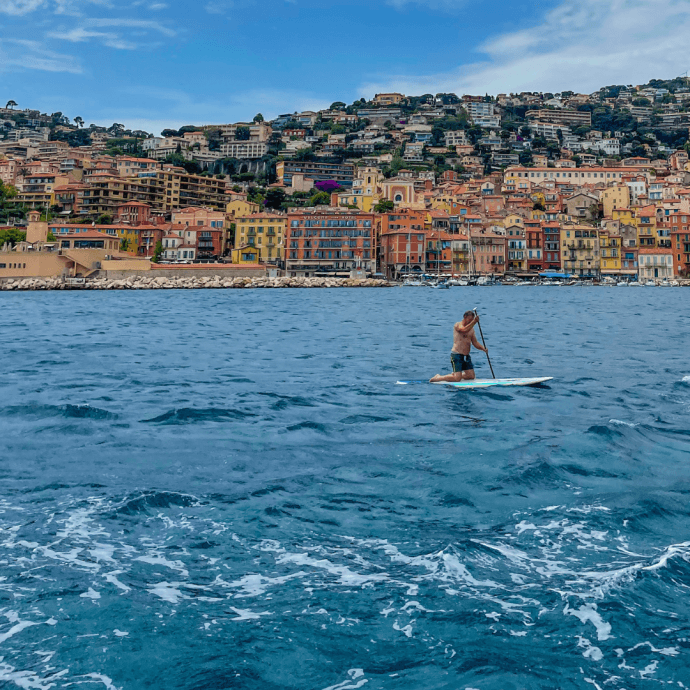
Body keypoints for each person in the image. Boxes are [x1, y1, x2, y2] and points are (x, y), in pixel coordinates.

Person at [430, 311, 488, 383]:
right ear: (465, 317)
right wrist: (474, 322)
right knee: (457, 379)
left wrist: (483, 348)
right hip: (457, 355)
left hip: (466, 356)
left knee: (471, 376)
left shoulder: (471, 330)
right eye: (469, 319)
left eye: (472, 319)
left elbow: (475, 342)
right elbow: (463, 330)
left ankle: (456, 375)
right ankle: (438, 377)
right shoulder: (458, 325)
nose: (470, 321)